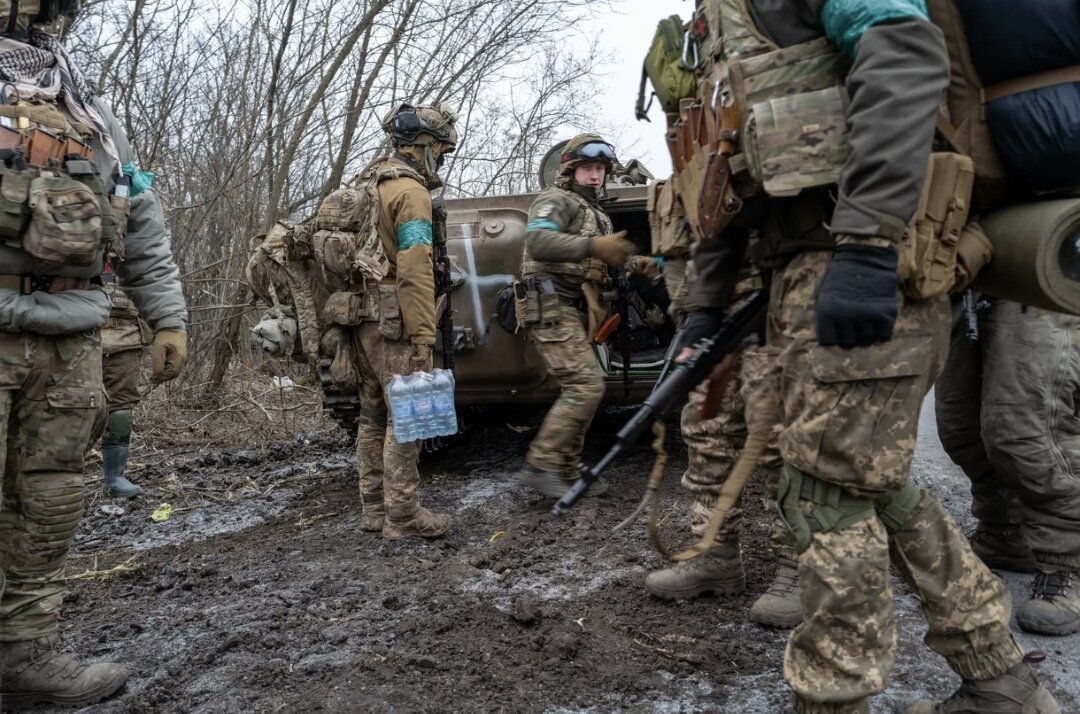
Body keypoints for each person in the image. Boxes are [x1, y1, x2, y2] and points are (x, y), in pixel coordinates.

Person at [673, 1, 1061, 711]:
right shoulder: (723, 24)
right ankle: (1000, 679)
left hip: (864, 255)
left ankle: (834, 698)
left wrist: (868, 242)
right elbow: (732, 170)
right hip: (800, 267)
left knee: (825, 493)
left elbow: (906, 53)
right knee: (868, 480)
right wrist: (705, 302)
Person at [0, 2, 188, 707]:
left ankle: (23, 654)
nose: (39, 23)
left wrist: (167, 317)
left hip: (73, 337)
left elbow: (140, 216)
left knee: (50, 499)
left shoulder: (89, 111)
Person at [936, 297, 1080, 636]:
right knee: (960, 423)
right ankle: (1004, 533)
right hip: (965, 273)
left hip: (1034, 272)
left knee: (1027, 427)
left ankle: (1067, 558)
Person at [352, 103, 457, 540]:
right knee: (408, 414)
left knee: (372, 415)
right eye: (442, 150)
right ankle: (403, 515)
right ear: (426, 146)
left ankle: (374, 509)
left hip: (358, 317)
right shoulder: (409, 192)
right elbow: (415, 266)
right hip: (395, 318)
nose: (443, 158)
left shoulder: (366, 182)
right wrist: (423, 333)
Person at [513, 133, 637, 497]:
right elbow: (537, 241)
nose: (595, 175)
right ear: (571, 170)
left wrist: (640, 265)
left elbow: (599, 260)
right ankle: (543, 465)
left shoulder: (594, 212)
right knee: (586, 386)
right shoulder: (557, 200)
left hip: (577, 308)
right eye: (587, 168)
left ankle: (565, 467)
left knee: (582, 386)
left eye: (599, 169)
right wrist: (594, 245)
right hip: (552, 306)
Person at [95, 272, 151, 498]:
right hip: (72, 333)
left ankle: (114, 477)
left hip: (126, 337)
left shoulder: (135, 245)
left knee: (120, 410)